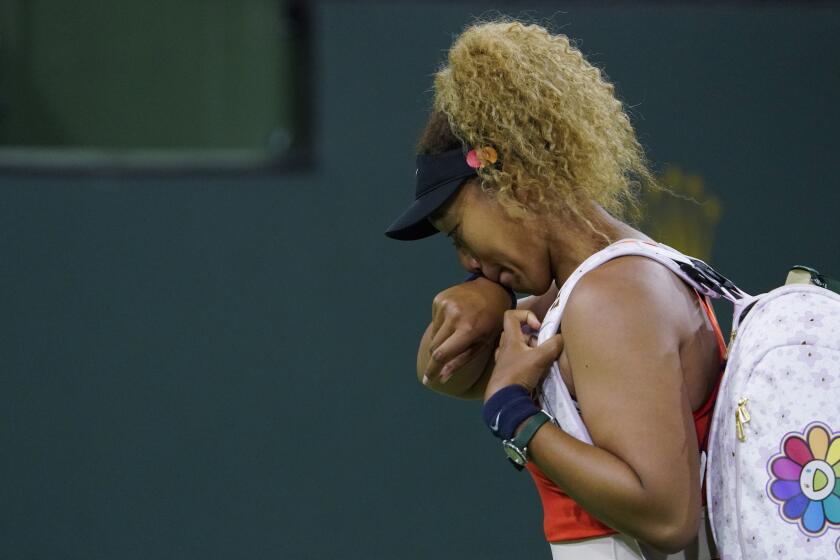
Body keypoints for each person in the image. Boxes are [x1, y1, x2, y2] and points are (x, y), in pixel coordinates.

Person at [385, 20, 722, 560]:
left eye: (458, 233)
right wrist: (490, 294)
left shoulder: (612, 297)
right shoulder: (590, 285)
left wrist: (515, 417)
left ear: (510, 180)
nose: (466, 260)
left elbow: (667, 517)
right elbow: (439, 371)